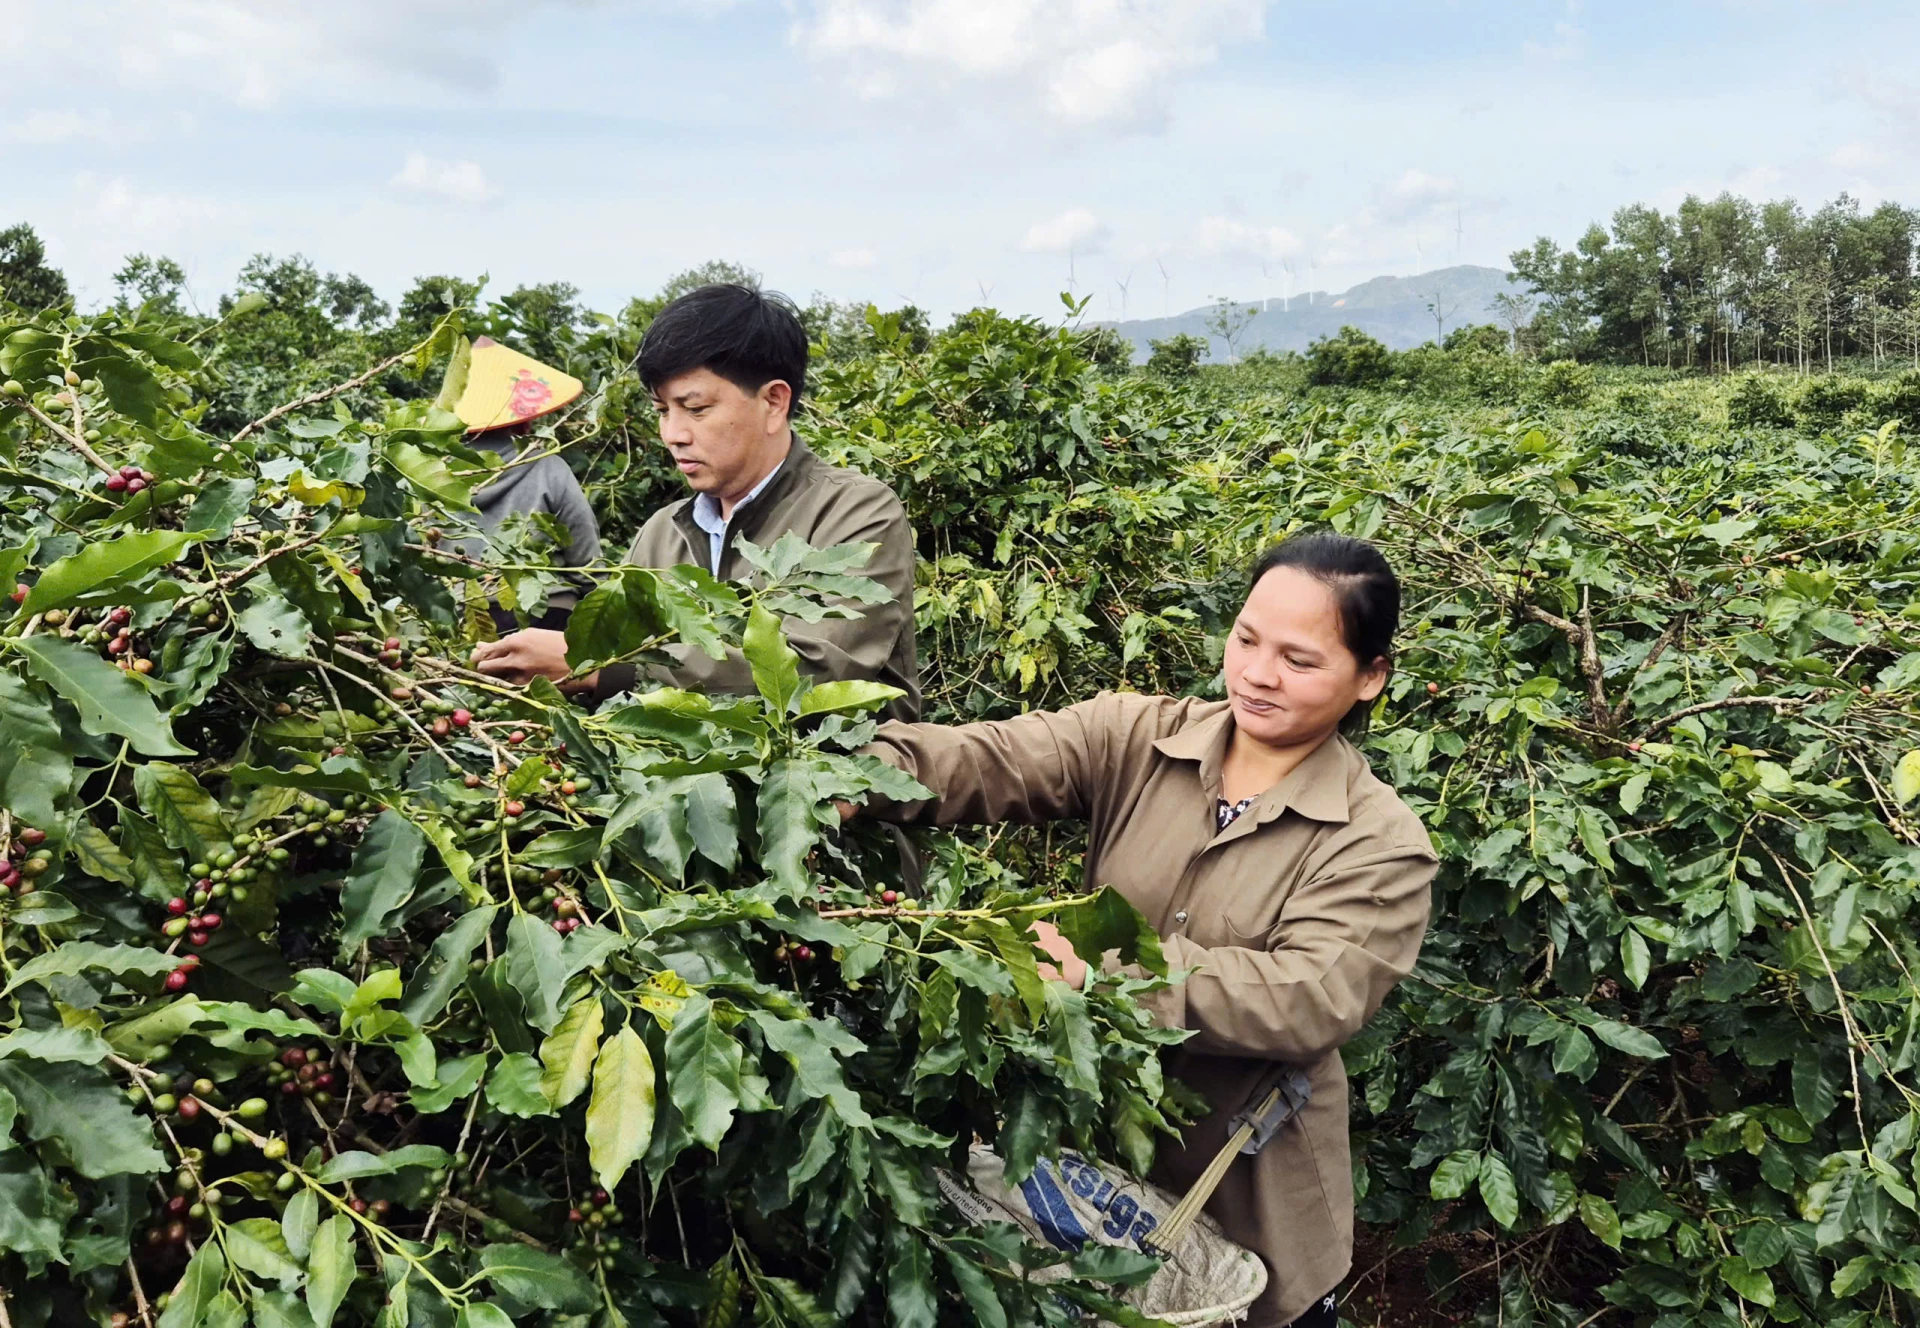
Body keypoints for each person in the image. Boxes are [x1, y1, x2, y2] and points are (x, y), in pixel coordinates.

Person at [847, 532, 1436, 1328]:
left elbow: (1312, 995)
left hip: (1247, 1206)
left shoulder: (1378, 841)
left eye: (1300, 661)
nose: (1258, 674)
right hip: (1096, 1177)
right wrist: (848, 773)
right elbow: (987, 760)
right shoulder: (1138, 736)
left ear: (1370, 679)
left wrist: (1106, 973)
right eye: (1247, 640)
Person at [469, 284, 919, 721]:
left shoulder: (857, 513)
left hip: (834, 789)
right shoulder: (662, 534)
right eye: (663, 410)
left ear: (774, 402)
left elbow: (816, 675)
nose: (673, 434)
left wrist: (603, 668)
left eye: (696, 409)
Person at [449, 336, 602, 628]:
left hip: (466, 619)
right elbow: (587, 562)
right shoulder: (548, 466)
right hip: (547, 615)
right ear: (524, 417)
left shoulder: (430, 475)